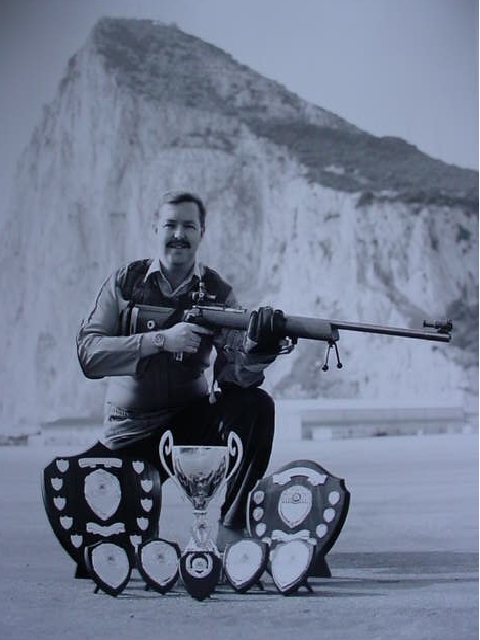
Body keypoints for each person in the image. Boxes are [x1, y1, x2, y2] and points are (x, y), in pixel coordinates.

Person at [76, 190, 287, 546]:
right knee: (121, 552)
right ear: (155, 229)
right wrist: (161, 340)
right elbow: (89, 354)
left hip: (190, 428)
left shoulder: (218, 291)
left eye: (189, 225)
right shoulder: (126, 283)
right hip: (129, 433)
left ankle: (232, 528)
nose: (179, 234)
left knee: (256, 406)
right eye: (170, 224)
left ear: (201, 233)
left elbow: (235, 376)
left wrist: (259, 350)